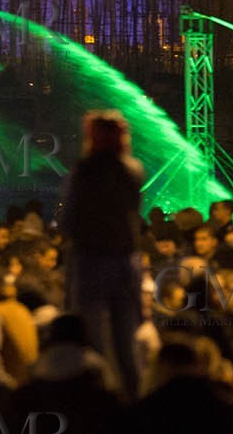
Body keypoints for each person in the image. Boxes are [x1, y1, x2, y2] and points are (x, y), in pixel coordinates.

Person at [59, 109, 145, 393]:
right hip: (127, 261)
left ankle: (99, 401)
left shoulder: (85, 170)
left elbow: (69, 220)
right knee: (126, 341)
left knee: (93, 340)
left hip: (91, 261)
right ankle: (133, 402)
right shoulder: (133, 169)